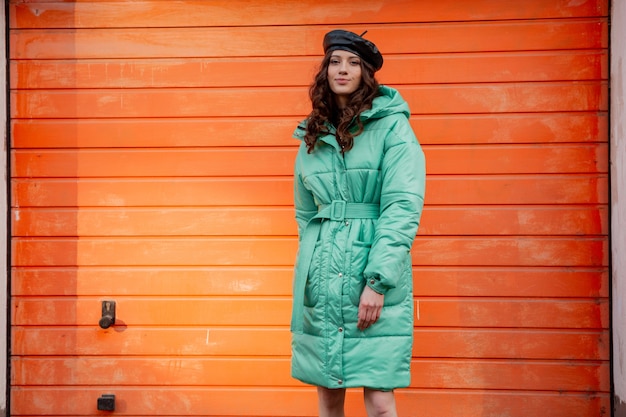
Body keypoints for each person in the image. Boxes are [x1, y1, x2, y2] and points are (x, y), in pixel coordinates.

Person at [290, 29, 426, 417]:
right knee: (328, 394)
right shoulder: (312, 134)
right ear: (325, 71)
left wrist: (378, 281)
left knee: (380, 400)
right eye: (335, 61)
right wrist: (313, 267)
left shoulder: (393, 128)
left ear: (366, 73)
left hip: (371, 272)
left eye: (353, 63)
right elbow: (304, 212)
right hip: (323, 277)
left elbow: (402, 206)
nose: (342, 70)